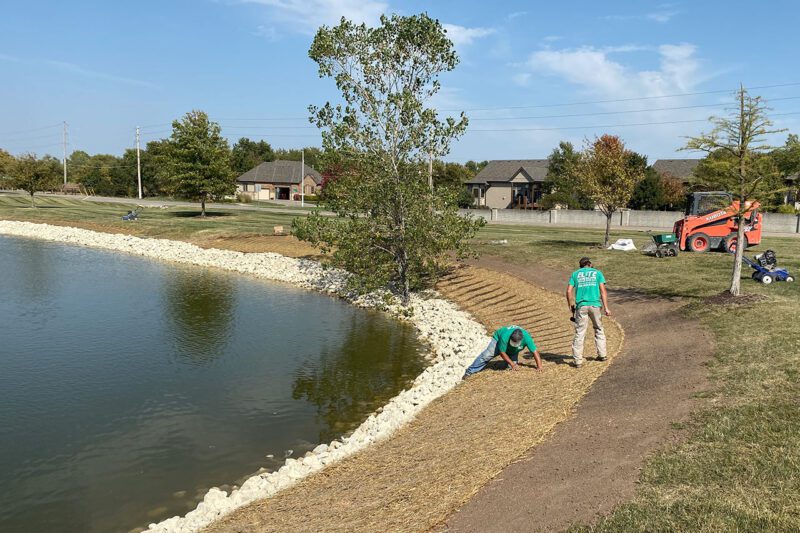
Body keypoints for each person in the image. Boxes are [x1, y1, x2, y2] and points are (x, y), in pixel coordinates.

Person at [566, 257, 611, 368]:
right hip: (595, 305)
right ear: (589, 264)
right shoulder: (597, 273)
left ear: (581, 265)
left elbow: (568, 291)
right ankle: (602, 355)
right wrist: (606, 308)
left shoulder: (575, 274)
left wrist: (570, 306)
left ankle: (578, 361)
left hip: (581, 306)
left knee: (580, 333)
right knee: (599, 329)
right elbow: (603, 291)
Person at [463, 325, 543, 378]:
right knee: (487, 355)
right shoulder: (505, 337)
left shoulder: (527, 338)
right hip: (498, 339)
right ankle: (470, 371)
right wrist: (512, 363)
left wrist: (539, 366)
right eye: (513, 341)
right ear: (511, 338)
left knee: (511, 368)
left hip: (514, 350)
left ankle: (506, 363)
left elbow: (535, 352)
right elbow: (502, 352)